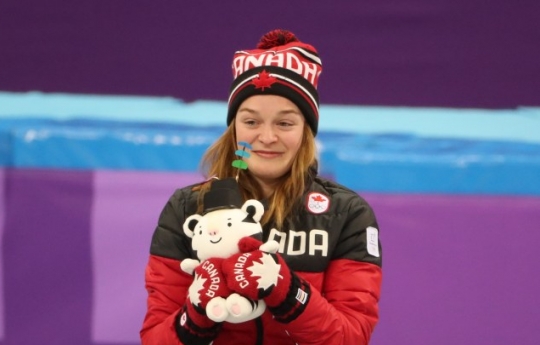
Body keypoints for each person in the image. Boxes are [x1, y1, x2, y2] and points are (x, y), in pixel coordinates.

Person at [140, 29, 382, 345]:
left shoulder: (347, 213)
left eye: (285, 123)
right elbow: (156, 338)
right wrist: (197, 313)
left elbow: (350, 337)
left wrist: (286, 290)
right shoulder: (188, 207)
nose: (266, 137)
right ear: (234, 128)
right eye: (251, 122)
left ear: (306, 131)